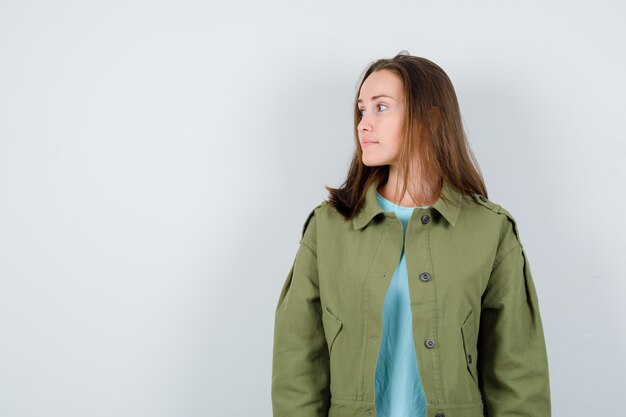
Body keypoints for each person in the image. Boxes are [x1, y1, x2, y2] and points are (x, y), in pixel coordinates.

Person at [271, 51, 551, 417]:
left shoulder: (490, 230)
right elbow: (298, 363)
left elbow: (518, 374)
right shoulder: (327, 229)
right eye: (361, 110)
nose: (363, 124)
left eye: (381, 107)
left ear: (431, 119)